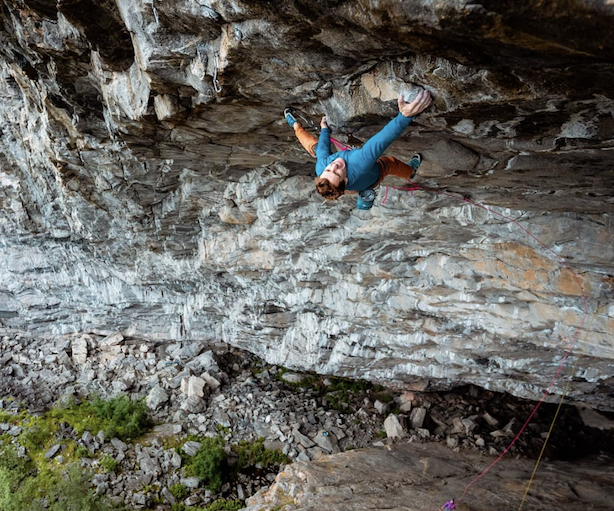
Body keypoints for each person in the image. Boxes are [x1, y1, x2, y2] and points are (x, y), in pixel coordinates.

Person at [284, 90, 432, 208]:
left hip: (350, 185)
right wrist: (404, 116)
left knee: (313, 146)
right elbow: (382, 140)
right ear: (345, 180)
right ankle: (411, 171)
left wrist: (324, 130)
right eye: (337, 172)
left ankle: (295, 126)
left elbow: (322, 147)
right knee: (390, 163)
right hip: (375, 173)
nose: (334, 165)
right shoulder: (360, 162)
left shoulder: (322, 167)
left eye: (329, 170)